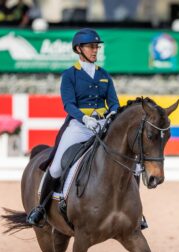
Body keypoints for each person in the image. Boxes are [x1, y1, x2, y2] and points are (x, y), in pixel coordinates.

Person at [26, 28, 120, 227]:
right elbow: (68, 104)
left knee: (125, 160)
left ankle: (134, 211)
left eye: (97, 47)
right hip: (79, 125)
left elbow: (113, 102)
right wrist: (85, 118)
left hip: (103, 125)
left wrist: (112, 113)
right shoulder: (70, 75)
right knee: (58, 165)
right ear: (79, 49)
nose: (95, 50)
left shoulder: (104, 75)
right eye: (91, 47)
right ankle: (41, 208)